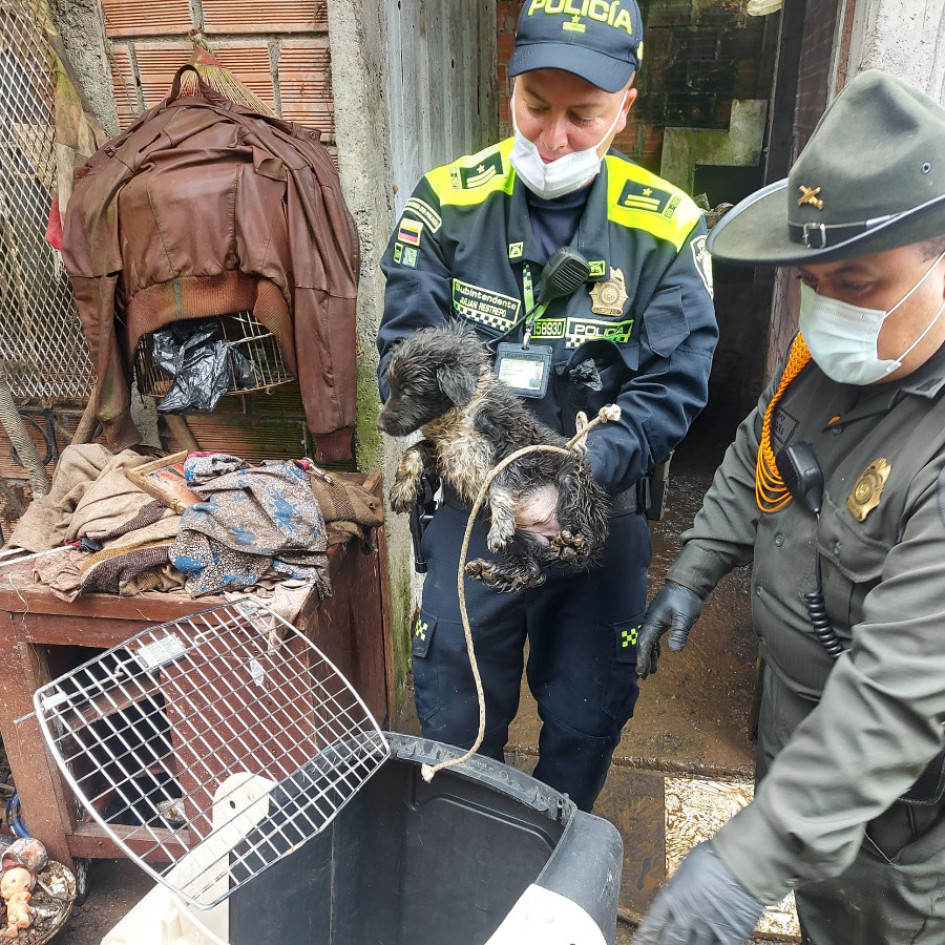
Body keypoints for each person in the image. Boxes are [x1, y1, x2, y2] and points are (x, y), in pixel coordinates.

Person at [376, 0, 718, 812]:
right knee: (457, 697)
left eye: (582, 115)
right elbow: (404, 349)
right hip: (472, 502)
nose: (552, 138)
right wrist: (495, 479)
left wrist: (568, 480)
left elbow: (675, 382)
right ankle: (461, 840)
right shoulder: (444, 204)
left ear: (625, 104)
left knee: (585, 706)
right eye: (535, 105)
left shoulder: (665, 227)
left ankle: (553, 847)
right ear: (510, 87)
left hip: (597, 507)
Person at [634, 70, 945, 945]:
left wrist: (743, 862)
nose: (828, 309)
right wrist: (693, 572)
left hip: (897, 824)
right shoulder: (833, 354)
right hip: (794, 743)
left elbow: (894, 695)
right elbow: (757, 450)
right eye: (812, 282)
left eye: (857, 282)